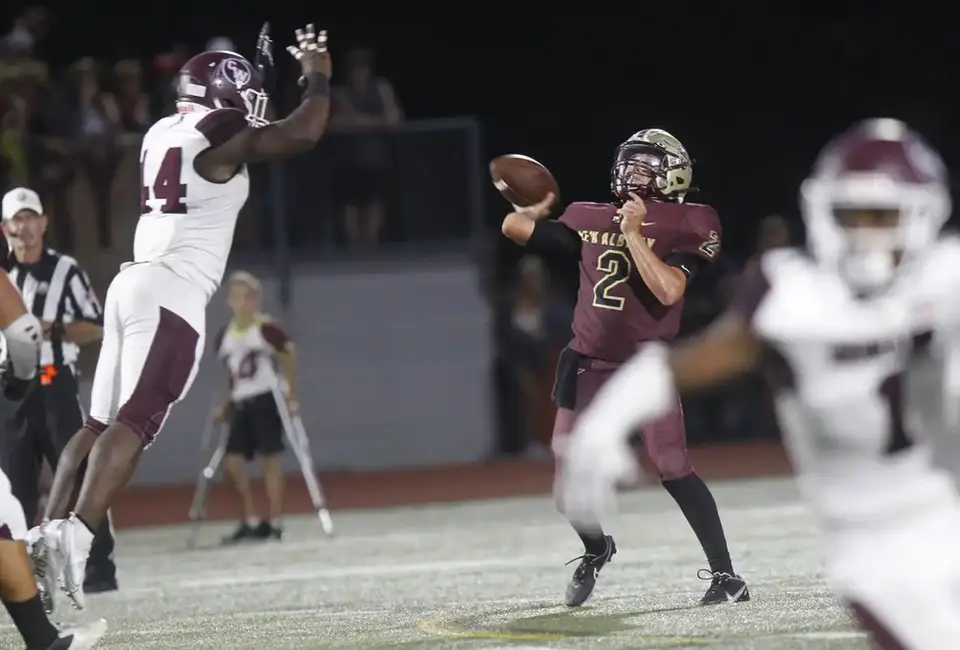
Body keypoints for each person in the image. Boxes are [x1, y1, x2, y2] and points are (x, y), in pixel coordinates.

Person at [559, 118, 960, 650]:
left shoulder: (948, 278)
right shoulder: (792, 290)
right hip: (871, 541)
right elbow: (689, 363)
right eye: (850, 215)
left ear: (925, 215)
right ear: (822, 212)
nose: (867, 232)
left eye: (885, 215)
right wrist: (602, 425)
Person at [29, 22, 333, 612]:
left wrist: (259, 96)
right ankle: (78, 538)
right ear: (225, 95)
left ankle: (50, 527)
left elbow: (243, 136)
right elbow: (300, 135)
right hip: (173, 291)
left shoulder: (163, 130)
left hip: (131, 281)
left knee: (95, 425)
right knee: (136, 424)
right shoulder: (220, 130)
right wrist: (317, 74)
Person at [501, 128, 746, 607]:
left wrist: (633, 233)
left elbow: (670, 290)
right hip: (588, 363)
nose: (632, 172)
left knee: (672, 466)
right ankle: (597, 549)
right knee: (566, 485)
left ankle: (726, 577)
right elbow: (517, 231)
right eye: (628, 163)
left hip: (645, 366)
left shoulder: (692, 219)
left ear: (673, 172)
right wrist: (528, 206)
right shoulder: (589, 215)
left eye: (645, 164)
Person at [0, 188, 118, 596]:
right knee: (13, 488)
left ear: (44, 223)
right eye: (15, 220)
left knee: (78, 474)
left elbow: (96, 323)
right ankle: (24, 577)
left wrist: (51, 327)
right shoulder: (3, 275)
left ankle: (99, 566)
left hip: (54, 383)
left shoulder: (65, 270)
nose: (23, 227)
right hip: (9, 391)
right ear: (4, 227)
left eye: (30, 217)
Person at [213, 271, 297, 543]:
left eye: (246, 296)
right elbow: (231, 372)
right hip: (241, 402)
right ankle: (249, 520)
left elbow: (288, 354)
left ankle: (274, 521)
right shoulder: (225, 335)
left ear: (255, 299)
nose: (241, 302)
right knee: (232, 464)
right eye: (236, 296)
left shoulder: (265, 328)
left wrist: (291, 394)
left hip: (266, 398)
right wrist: (226, 400)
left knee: (270, 460)